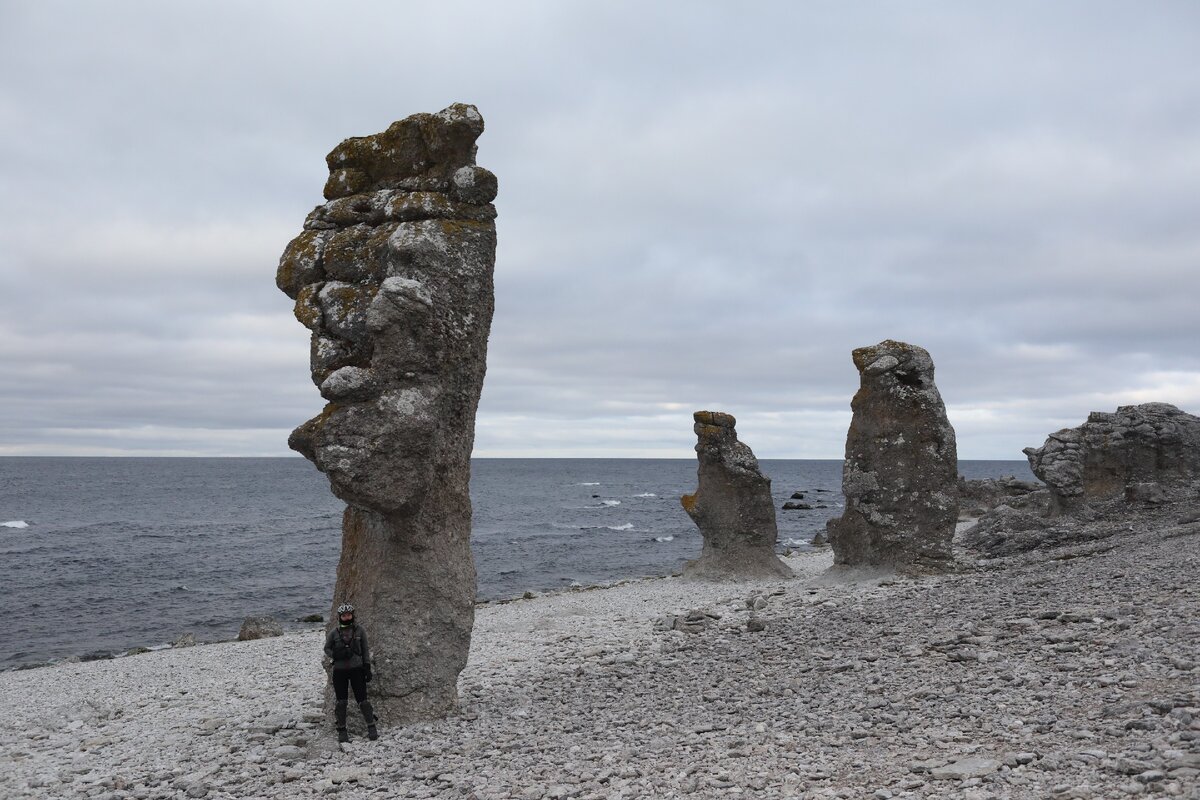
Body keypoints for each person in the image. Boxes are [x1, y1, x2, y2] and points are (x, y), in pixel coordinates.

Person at [323, 602, 378, 742]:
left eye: (349, 615)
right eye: (344, 615)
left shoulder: (360, 631)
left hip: (357, 670)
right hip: (339, 671)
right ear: (340, 617)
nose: (347, 617)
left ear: (352, 615)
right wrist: (336, 654)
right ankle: (342, 731)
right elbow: (327, 648)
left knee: (363, 700)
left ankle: (371, 727)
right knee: (341, 702)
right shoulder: (334, 633)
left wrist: (367, 667)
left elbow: (365, 649)